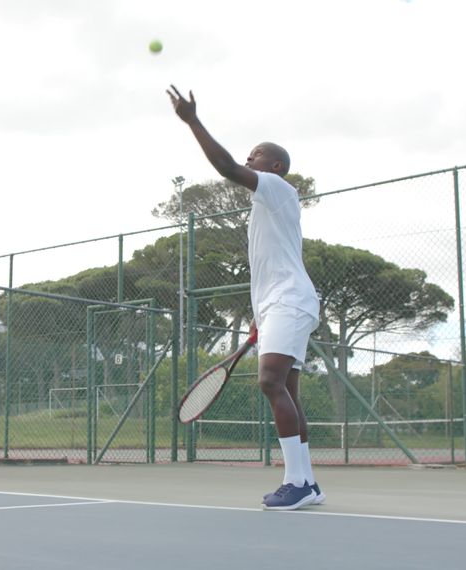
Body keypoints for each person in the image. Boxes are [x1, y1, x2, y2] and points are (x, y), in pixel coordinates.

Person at [168, 85, 323, 511]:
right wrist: (260, 317)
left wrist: (192, 121)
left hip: (290, 301)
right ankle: (307, 480)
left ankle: (296, 483)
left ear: (274, 166)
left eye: (255, 154)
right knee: (287, 388)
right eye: (250, 155)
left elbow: (225, 167)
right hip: (280, 304)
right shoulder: (266, 208)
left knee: (270, 382)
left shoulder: (275, 187)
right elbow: (271, 267)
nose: (248, 158)